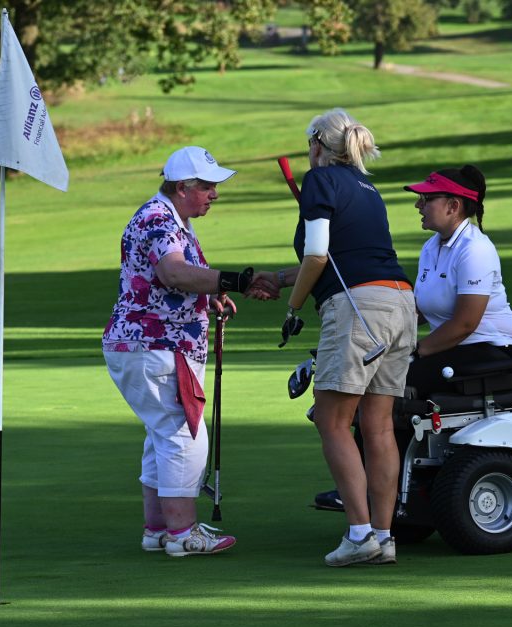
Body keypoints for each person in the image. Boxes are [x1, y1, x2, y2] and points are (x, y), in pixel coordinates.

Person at [254, 108, 417, 567]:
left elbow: (318, 256)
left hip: (358, 309)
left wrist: (292, 306)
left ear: (317, 145)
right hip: (400, 303)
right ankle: (383, 537)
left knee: (331, 419)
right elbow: (341, 258)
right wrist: (281, 278)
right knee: (377, 425)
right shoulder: (367, 188)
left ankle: (360, 534)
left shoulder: (319, 179)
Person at [313, 164, 512, 512]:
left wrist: (414, 350)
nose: (418, 205)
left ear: (453, 206)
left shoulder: (476, 249)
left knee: (384, 389)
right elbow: (420, 309)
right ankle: (369, 488)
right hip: (453, 349)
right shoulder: (432, 247)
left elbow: (465, 322)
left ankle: (369, 491)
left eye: (427, 199)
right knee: (374, 382)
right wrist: (381, 339)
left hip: (489, 349)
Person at [102, 146, 261, 558]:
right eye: (207, 186)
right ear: (182, 187)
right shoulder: (159, 218)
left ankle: (158, 529)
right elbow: (172, 272)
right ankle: (182, 533)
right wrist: (235, 281)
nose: (214, 194)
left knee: (163, 434)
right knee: (182, 434)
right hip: (157, 345)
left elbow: (172, 280)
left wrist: (209, 297)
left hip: (148, 343)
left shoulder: (171, 219)